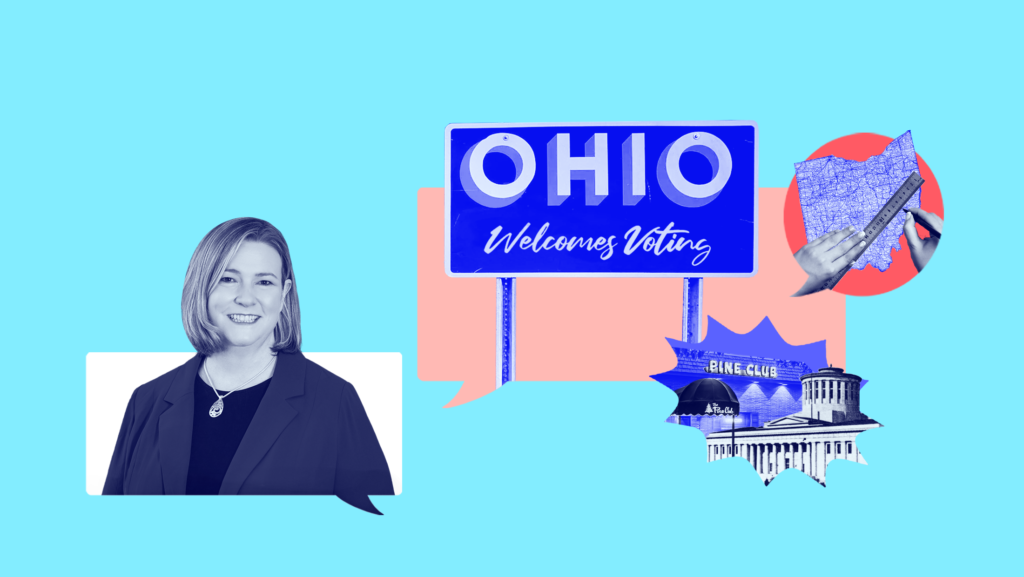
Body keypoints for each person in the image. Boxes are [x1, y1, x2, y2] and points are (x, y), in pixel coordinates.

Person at [102, 217, 393, 514]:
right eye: (228, 279)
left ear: (284, 294)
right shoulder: (146, 401)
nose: (246, 298)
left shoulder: (335, 402)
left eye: (264, 282)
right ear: (202, 287)